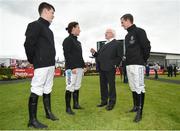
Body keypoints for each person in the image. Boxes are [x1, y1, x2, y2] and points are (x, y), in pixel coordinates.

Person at [24, 2, 58, 129]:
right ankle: (32, 120)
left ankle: (48, 113)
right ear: (45, 11)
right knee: (36, 89)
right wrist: (33, 59)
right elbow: (28, 44)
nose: (53, 16)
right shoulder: (34, 25)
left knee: (48, 88)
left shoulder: (49, 30)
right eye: (52, 12)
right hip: (41, 63)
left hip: (50, 64)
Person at [120, 14, 151, 122]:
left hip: (138, 65)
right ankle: (135, 107)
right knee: (133, 87)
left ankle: (140, 112)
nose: (121, 25)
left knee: (140, 87)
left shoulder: (139, 31)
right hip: (129, 65)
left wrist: (143, 60)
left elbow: (147, 46)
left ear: (128, 21)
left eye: (122, 22)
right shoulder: (127, 36)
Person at [90, 29, 123, 111]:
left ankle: (111, 103)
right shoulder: (104, 44)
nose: (105, 34)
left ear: (112, 34)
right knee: (103, 86)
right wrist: (94, 53)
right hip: (102, 68)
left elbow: (120, 56)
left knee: (111, 86)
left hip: (110, 68)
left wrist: (115, 65)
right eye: (105, 33)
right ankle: (104, 101)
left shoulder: (117, 43)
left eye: (107, 33)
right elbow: (99, 56)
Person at [62, 22, 86, 115]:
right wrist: (72, 67)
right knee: (70, 86)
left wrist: (83, 66)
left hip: (79, 68)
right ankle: (68, 108)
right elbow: (67, 54)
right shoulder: (67, 40)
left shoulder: (78, 42)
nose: (80, 30)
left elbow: (80, 56)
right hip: (71, 69)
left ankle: (75, 104)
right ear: (73, 28)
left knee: (77, 86)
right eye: (78, 28)